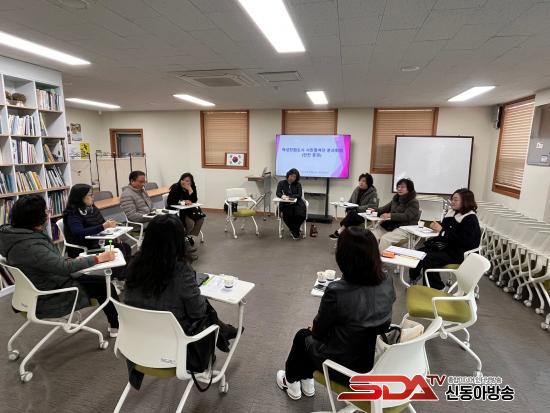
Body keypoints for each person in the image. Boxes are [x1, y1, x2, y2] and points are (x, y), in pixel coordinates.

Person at [276, 227, 395, 400]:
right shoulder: (387, 280)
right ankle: (307, 381)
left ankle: (292, 382)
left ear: (343, 256)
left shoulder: (337, 291)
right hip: (373, 357)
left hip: (345, 368)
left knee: (303, 336)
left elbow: (318, 333)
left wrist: (315, 328)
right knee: (312, 338)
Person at [124, 214, 239, 387]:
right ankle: (224, 332)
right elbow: (197, 312)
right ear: (178, 240)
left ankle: (225, 331)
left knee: (196, 304)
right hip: (175, 347)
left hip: (139, 345)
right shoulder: (180, 270)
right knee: (205, 309)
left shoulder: (133, 264)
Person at [0, 195, 120, 336]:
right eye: (46, 211)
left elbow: (48, 262)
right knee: (104, 285)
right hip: (51, 294)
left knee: (92, 277)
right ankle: (117, 325)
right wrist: (98, 258)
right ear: (36, 217)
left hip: (39, 286)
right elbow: (63, 268)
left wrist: (69, 261)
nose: (48, 213)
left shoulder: (17, 236)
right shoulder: (30, 245)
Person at [409, 188, 481, 290]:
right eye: (452, 199)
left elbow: (464, 241)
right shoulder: (452, 212)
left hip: (460, 252)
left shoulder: (470, 218)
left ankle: (438, 288)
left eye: (456, 200)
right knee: (418, 253)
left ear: (465, 201)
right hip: (447, 247)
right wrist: (436, 227)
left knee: (428, 258)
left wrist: (442, 231)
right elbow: (445, 228)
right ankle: (414, 277)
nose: (452, 202)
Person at [62, 184, 132, 274]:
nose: (93, 197)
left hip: (97, 242)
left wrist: (113, 231)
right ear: (81, 197)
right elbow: (79, 232)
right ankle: (117, 275)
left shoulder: (92, 209)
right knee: (119, 248)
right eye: (90, 195)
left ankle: (125, 273)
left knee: (125, 246)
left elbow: (102, 224)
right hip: (84, 247)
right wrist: (103, 226)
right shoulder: (73, 214)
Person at [371, 178, 421, 253]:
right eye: (398, 187)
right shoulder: (396, 199)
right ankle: (371, 256)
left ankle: (380, 259)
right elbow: (384, 208)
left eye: (403, 187)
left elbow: (407, 216)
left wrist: (390, 215)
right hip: (391, 225)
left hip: (404, 228)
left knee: (385, 239)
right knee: (371, 235)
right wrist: (374, 210)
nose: (399, 189)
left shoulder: (413, 202)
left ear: (409, 189)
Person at [329, 173, 379, 239]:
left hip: (364, 215)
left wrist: (357, 208)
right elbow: (350, 201)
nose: (361, 182)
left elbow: (372, 206)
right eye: (360, 180)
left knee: (352, 214)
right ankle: (342, 232)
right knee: (351, 213)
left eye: (363, 181)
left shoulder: (373, 193)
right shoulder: (357, 189)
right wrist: (346, 205)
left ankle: (340, 231)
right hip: (353, 213)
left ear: (368, 182)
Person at [166, 173, 205, 245]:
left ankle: (188, 235)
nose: (185, 182)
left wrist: (190, 190)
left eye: (188, 181)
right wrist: (182, 202)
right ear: (181, 180)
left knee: (200, 219)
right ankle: (181, 237)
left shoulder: (192, 187)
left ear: (191, 182)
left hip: (189, 210)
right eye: (184, 180)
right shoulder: (176, 187)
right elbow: (170, 201)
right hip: (177, 211)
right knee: (190, 223)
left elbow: (194, 200)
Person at [276, 168, 307, 240]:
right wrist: (282, 196)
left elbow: (299, 195)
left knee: (301, 215)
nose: (292, 178)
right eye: (291, 176)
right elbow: (278, 193)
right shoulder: (281, 183)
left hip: (297, 203)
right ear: (288, 175)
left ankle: (294, 230)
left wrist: (290, 196)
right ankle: (295, 231)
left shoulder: (298, 184)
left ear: (296, 178)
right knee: (287, 215)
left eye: (294, 177)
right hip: (286, 203)